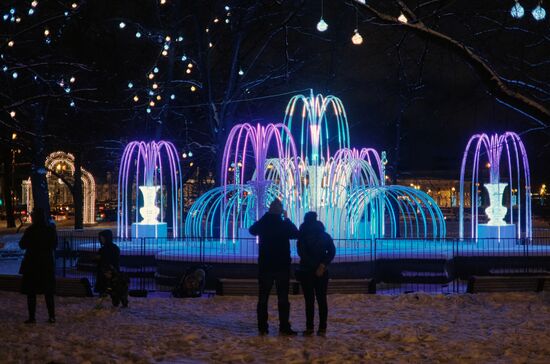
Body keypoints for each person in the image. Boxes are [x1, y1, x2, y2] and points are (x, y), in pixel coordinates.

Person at [249, 198, 299, 336]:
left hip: (266, 266)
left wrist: (265, 217)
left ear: (270, 209)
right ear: (281, 211)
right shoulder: (283, 224)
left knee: (263, 298)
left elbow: (252, 230)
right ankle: (284, 326)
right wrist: (287, 219)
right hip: (282, 266)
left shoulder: (264, 223)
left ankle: (262, 327)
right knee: (283, 298)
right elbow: (296, 233)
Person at [296, 211, 335, 336]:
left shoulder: (302, 235)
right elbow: (332, 251)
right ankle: (322, 328)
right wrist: (322, 265)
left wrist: (312, 266)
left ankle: (310, 328)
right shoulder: (325, 235)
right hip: (321, 272)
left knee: (309, 301)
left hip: (306, 271)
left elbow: (301, 253)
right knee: (322, 299)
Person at [19, 208, 58, 324]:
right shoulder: (50, 230)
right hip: (46, 265)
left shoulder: (30, 231)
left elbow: (22, 244)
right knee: (48, 293)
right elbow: (54, 245)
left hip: (32, 264)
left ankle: (32, 317)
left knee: (31, 293)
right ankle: (51, 316)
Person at [94, 229, 120, 296]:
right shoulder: (114, 248)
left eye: (102, 238)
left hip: (106, 272)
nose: (101, 240)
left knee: (105, 289)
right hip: (109, 271)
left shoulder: (104, 249)